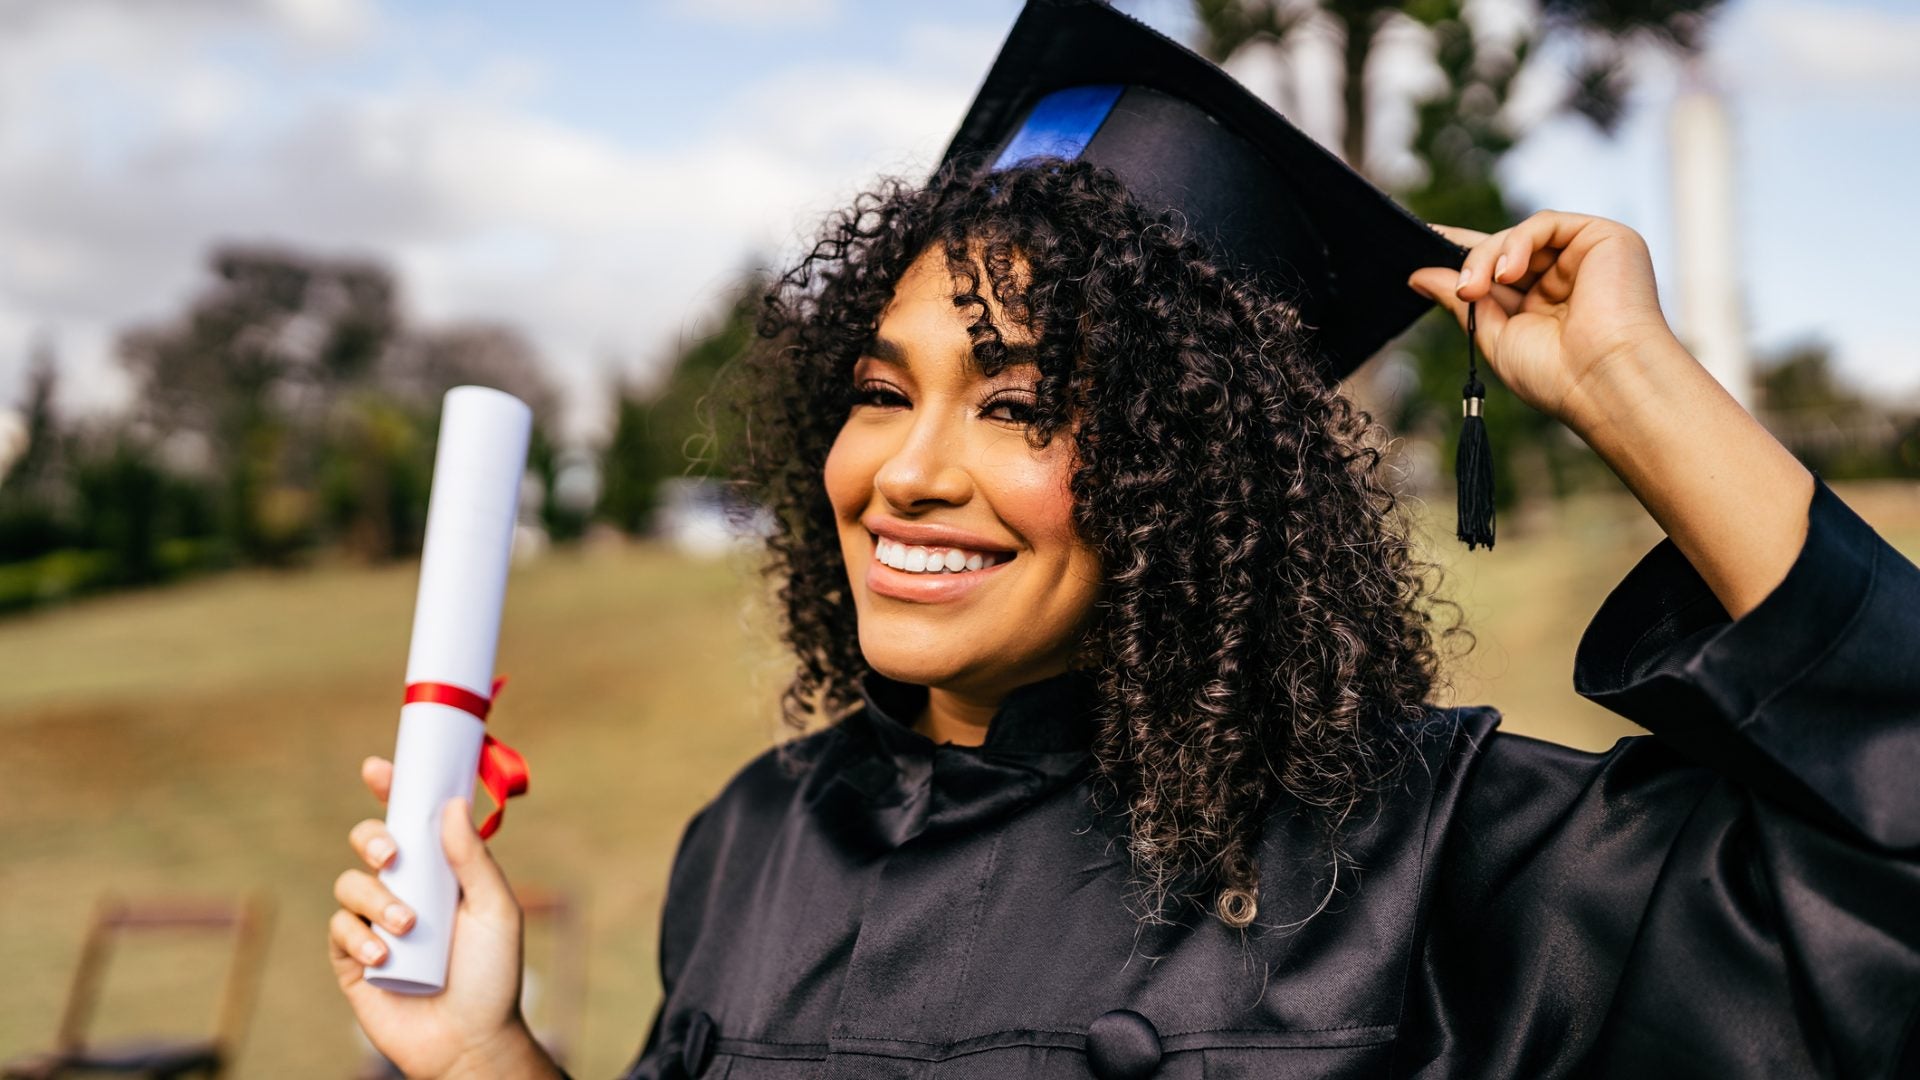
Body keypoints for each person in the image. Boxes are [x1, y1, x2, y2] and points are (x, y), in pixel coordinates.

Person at [328, 6, 1920, 1079]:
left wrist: (1638, 391)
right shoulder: (755, 839)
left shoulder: (1436, 851)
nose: (910, 471)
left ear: (1199, 473)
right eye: (882, 392)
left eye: (1025, 407)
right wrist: (488, 1057)